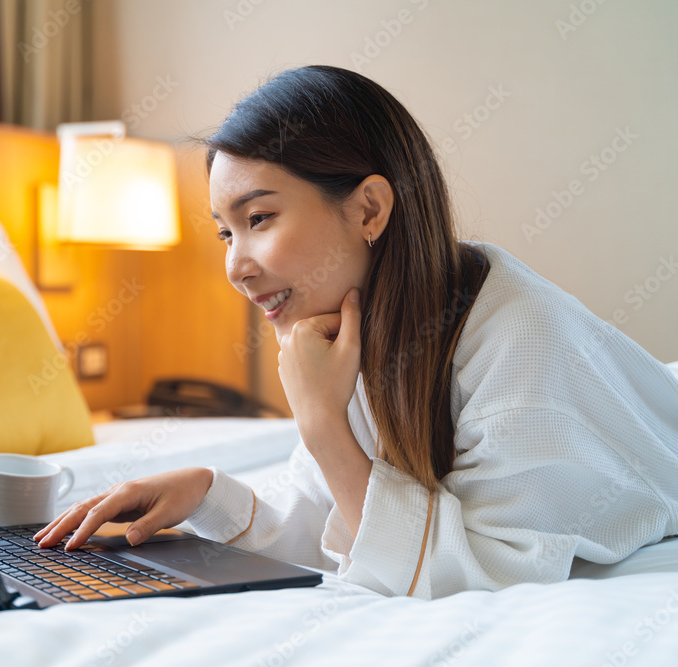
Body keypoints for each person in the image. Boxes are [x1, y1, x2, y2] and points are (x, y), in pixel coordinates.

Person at [34, 65, 678, 599]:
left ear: (369, 208)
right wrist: (204, 492)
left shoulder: (518, 339)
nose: (235, 265)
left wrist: (321, 424)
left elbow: (480, 574)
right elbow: (340, 515)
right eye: (226, 232)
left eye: (259, 217)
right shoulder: (360, 325)